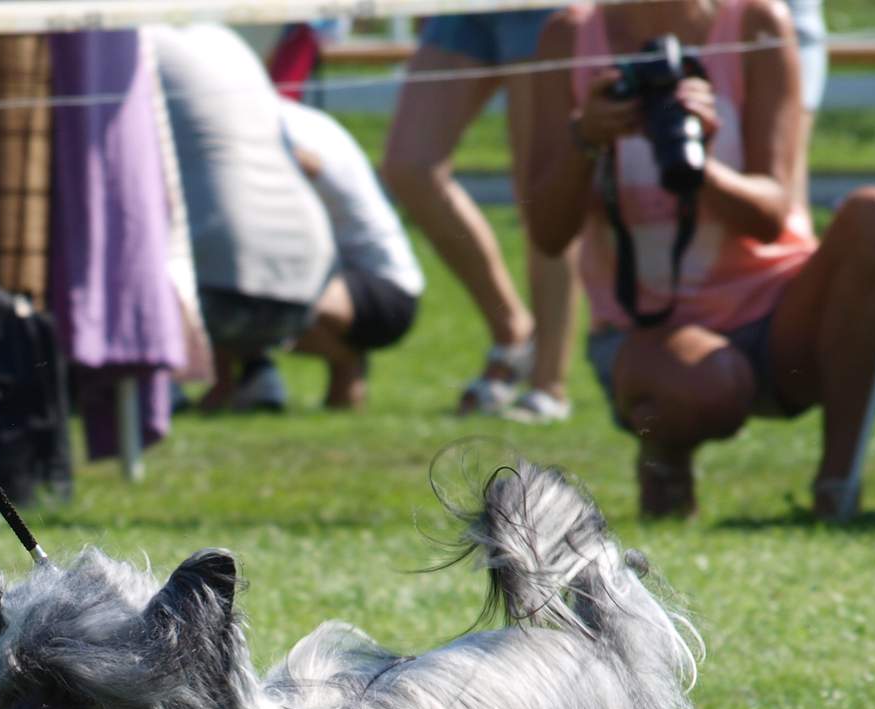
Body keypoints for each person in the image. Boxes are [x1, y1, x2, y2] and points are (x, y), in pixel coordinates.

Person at [523, 0, 875, 519]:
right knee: (710, 383)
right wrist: (586, 138)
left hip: (776, 313)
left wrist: (694, 160)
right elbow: (548, 234)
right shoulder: (568, 35)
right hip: (649, 331)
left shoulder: (758, 22)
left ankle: (837, 487)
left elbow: (771, 215)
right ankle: (665, 456)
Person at [380, 8, 576, 422]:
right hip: (464, 10)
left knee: (539, 195)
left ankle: (548, 386)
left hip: (543, 13)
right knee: (409, 167)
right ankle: (512, 333)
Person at [149, 23, 336, 414]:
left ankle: (161, 385)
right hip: (308, 291)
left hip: (218, 295)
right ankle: (256, 372)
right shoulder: (224, 38)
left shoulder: (134, 39)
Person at [277, 97, 426, 410]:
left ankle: (347, 358)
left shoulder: (280, 127)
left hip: (385, 291)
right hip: (358, 280)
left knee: (253, 299)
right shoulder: (297, 118)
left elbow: (311, 164)